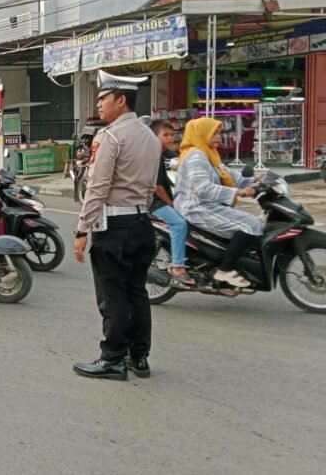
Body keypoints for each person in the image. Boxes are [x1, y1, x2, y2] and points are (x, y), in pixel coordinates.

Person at [72, 71, 161, 381]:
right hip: (142, 222)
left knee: (113, 296)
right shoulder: (151, 137)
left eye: (103, 99)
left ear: (121, 101)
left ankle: (112, 359)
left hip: (114, 227)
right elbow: (151, 188)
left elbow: (97, 187)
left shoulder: (109, 136)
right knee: (137, 292)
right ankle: (140, 357)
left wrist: (82, 230)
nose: (99, 105)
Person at [174, 117, 262, 290]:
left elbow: (230, 176)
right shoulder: (196, 156)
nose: (219, 137)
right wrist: (239, 192)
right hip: (195, 207)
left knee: (250, 223)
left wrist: (257, 181)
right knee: (251, 224)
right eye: (214, 133)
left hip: (207, 204)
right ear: (202, 134)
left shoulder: (208, 154)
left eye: (219, 133)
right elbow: (203, 188)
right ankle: (224, 269)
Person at [149, 120, 195, 286]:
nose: (170, 138)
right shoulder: (152, 156)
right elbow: (157, 186)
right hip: (154, 203)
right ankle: (178, 266)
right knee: (179, 224)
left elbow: (180, 161)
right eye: (165, 135)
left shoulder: (165, 153)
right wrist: (171, 204)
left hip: (165, 198)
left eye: (172, 134)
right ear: (154, 136)